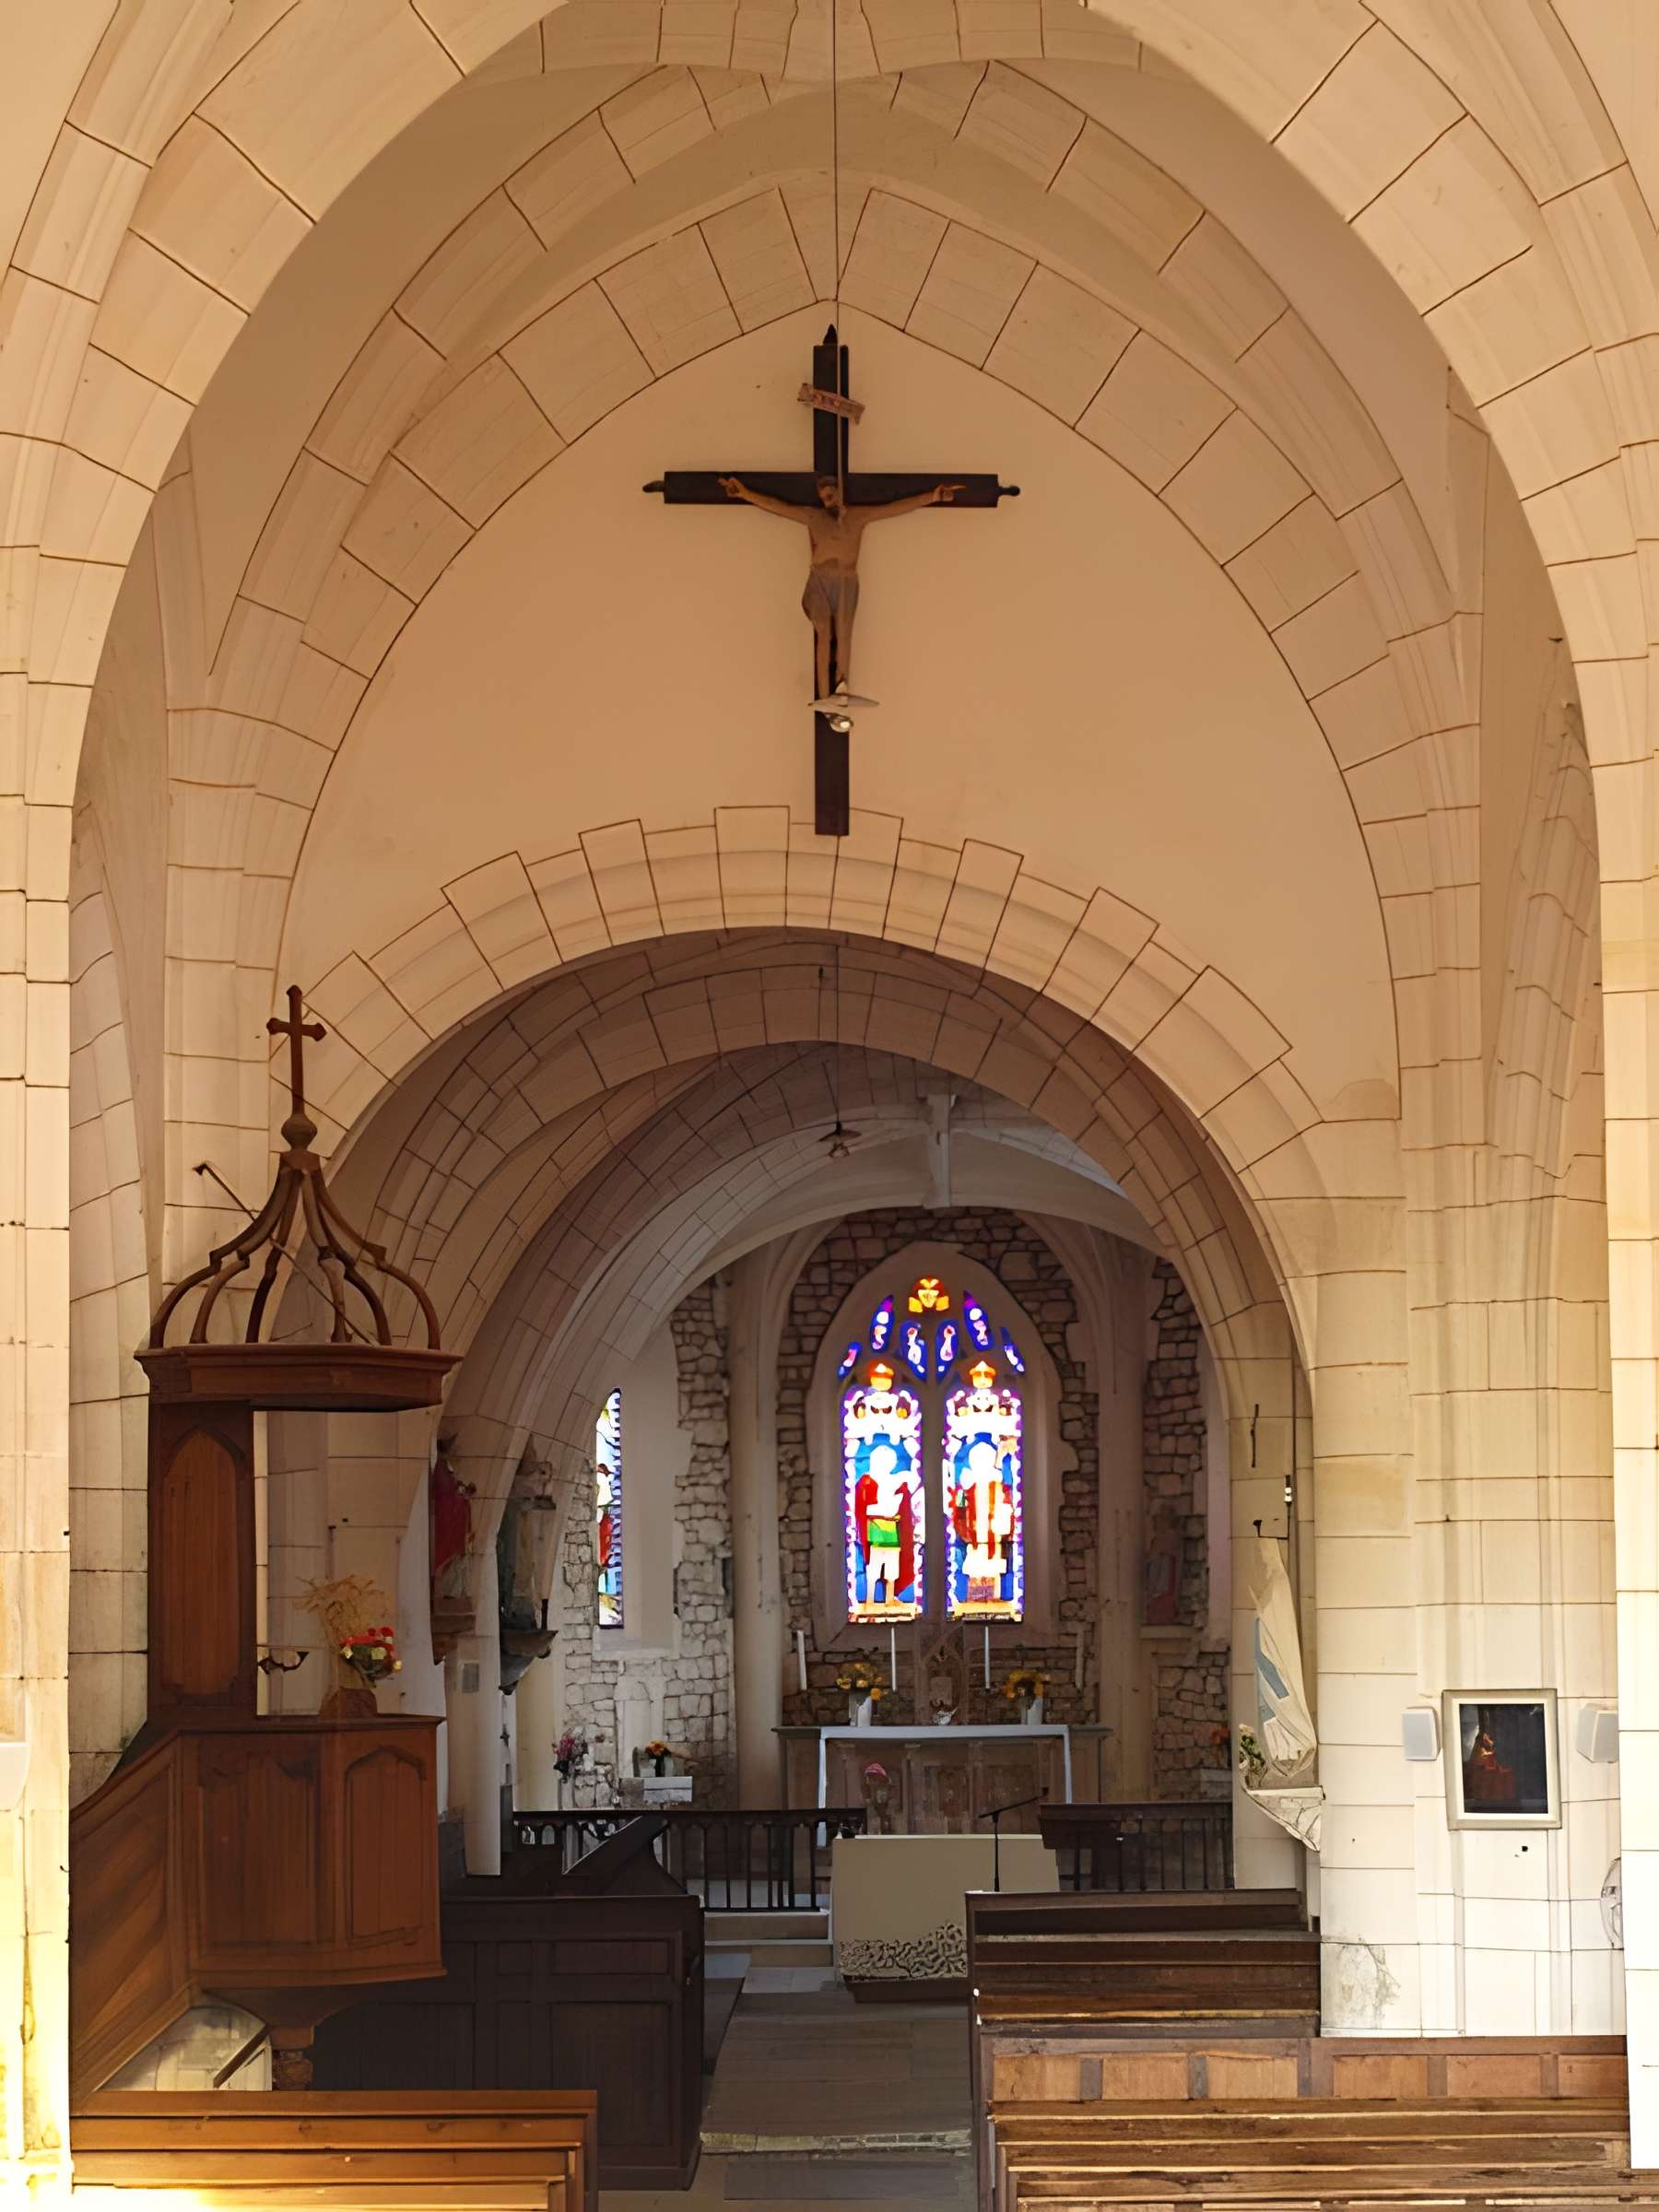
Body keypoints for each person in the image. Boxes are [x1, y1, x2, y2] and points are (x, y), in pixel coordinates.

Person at [718, 474, 964, 696]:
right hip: (820, 582)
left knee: (844, 634)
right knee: (824, 632)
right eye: (824, 497)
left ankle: (841, 691)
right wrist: (745, 494)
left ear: (839, 493)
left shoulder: (857, 517)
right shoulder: (813, 517)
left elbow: (893, 508)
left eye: (831, 495)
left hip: (847, 581)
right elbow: (779, 507)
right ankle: (825, 695)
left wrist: (933, 496)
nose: (828, 501)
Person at [854, 1439, 916, 1610]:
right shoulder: (867, 1482)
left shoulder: (895, 1480)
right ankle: (870, 1599)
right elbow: (863, 1508)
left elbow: (912, 1481)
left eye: (889, 1462)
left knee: (892, 1566)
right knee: (874, 1566)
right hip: (876, 1531)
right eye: (882, 1461)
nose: (886, 1465)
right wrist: (884, 1507)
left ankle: (890, 1598)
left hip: (892, 1531)